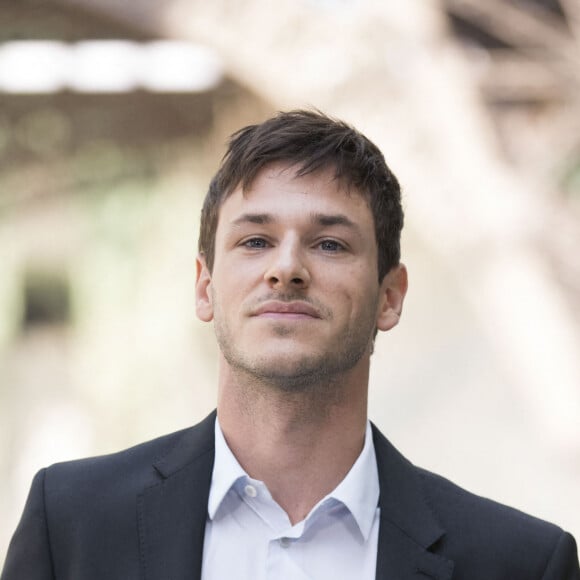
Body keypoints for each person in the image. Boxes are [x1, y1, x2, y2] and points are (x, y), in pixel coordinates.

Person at [2, 110, 579, 580]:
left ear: (390, 297)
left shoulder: (521, 564)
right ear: (205, 287)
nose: (286, 268)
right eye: (255, 240)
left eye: (329, 244)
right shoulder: (71, 523)